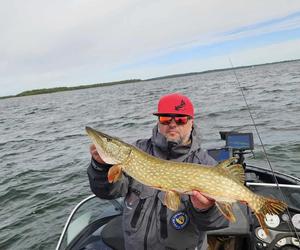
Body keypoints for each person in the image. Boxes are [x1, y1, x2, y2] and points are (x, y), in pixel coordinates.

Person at [87, 93, 229, 250]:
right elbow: (108, 192)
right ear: (158, 121)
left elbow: (219, 221)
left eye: (180, 119)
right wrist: (101, 167)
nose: (172, 124)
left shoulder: (205, 164)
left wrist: (205, 209)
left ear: (191, 122)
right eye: (166, 119)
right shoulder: (138, 150)